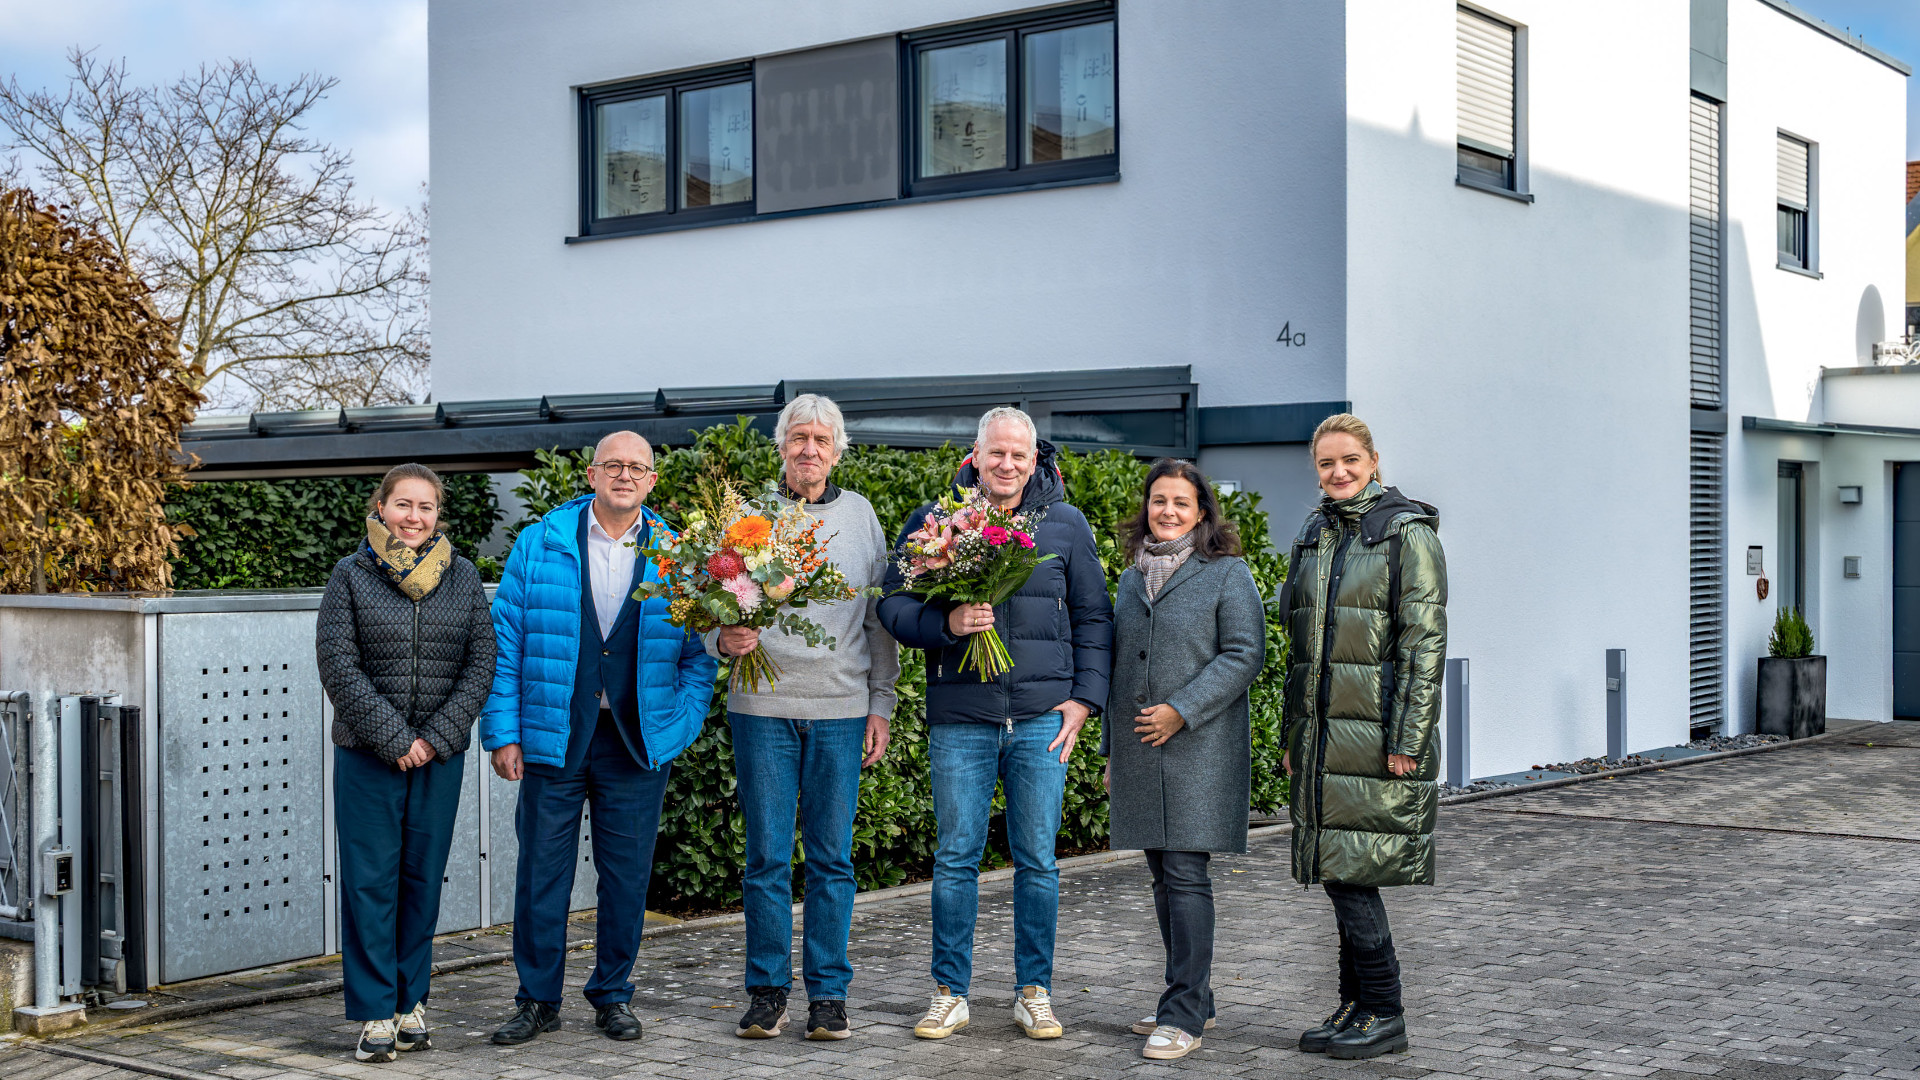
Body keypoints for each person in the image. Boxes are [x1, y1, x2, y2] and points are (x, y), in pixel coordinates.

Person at [878, 406, 1113, 1041]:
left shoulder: (1065, 523)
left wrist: (1084, 700)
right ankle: (949, 992)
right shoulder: (936, 521)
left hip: (1041, 720)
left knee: (1037, 858)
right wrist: (947, 624)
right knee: (956, 856)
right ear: (976, 457)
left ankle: (1034, 991)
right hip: (962, 717)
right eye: (996, 453)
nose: (1007, 464)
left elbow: (1095, 617)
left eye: (1019, 455)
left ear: (1035, 461)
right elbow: (892, 605)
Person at [480, 431, 718, 1046]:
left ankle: (613, 995)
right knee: (541, 875)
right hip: (553, 735)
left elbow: (700, 654)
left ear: (652, 481)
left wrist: (681, 721)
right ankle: (537, 1000)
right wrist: (504, 732)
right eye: (613, 465)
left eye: (637, 467)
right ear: (591, 475)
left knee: (626, 878)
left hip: (636, 740)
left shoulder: (680, 556)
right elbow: (505, 644)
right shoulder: (540, 543)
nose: (624, 475)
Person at [707, 395, 901, 1041]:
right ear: (782, 447)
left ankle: (828, 996)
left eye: (821, 439)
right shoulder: (747, 518)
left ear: (837, 450)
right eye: (798, 438)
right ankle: (767, 992)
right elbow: (706, 608)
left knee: (831, 861)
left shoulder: (861, 515)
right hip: (762, 708)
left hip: (841, 710)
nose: (809, 449)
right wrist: (720, 640)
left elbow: (878, 620)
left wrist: (881, 704)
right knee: (766, 857)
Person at [1278, 413, 1446, 1060]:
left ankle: (1386, 1011)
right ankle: (1356, 1005)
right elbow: (1300, 651)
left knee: (1352, 875)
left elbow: (1423, 647)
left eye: (1350, 459)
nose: (1339, 471)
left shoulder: (1407, 535)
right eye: (1327, 463)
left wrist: (1408, 738)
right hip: (1322, 738)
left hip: (1375, 737)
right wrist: (1293, 734)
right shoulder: (1315, 534)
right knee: (1338, 868)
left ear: (1374, 461)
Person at [316, 463, 496, 1064]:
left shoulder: (462, 576)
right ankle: (374, 1013)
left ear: (437, 515)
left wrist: (436, 737)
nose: (413, 517)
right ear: (382, 508)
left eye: (425, 507)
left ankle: (411, 1003)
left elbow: (481, 662)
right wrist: (394, 738)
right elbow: (338, 663)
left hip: (438, 757)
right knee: (370, 884)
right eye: (403, 505)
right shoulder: (350, 575)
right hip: (368, 755)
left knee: (421, 880)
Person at [1101, 459, 1265, 1062]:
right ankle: (1192, 996)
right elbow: (1118, 667)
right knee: (1163, 878)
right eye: (1158, 500)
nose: (1167, 511)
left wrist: (1181, 709)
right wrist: (1112, 751)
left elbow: (1245, 653)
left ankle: (1184, 1015)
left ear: (1201, 513)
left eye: (1181, 502)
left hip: (1199, 747)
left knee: (1186, 874)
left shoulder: (1227, 573)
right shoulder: (1129, 578)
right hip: (1141, 749)